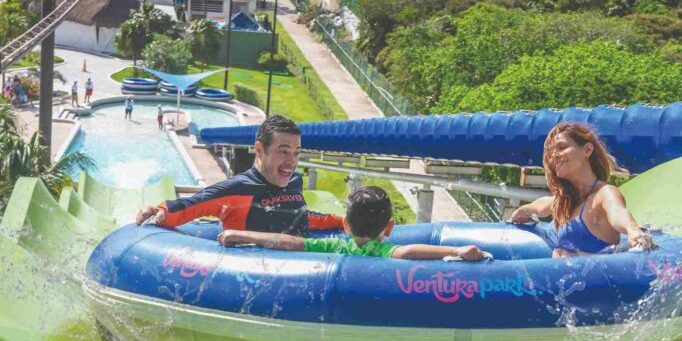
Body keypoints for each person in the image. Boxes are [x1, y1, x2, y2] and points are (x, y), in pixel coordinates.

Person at [136, 114, 344, 234]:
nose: (291, 162)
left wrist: (343, 221)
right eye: (283, 152)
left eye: (296, 153)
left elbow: (299, 217)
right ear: (260, 150)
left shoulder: (295, 181)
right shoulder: (237, 189)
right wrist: (158, 211)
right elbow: (188, 206)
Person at [220, 186, 485, 261]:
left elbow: (292, 243)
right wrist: (455, 251)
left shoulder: (338, 247)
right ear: (390, 227)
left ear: (345, 224)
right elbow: (407, 251)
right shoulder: (380, 251)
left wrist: (244, 235)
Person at [510, 122, 654, 258]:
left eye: (561, 147)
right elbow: (541, 205)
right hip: (557, 282)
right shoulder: (564, 201)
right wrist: (523, 211)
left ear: (587, 150)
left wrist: (633, 229)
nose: (554, 155)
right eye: (552, 151)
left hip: (594, 282)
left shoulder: (604, 193)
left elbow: (617, 213)